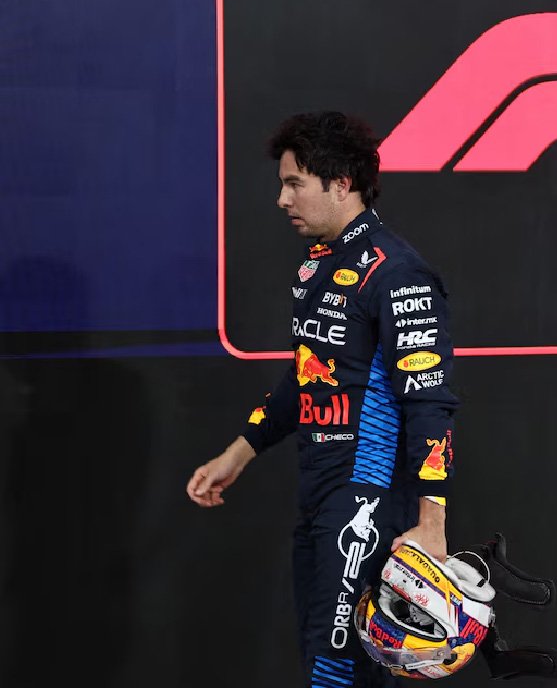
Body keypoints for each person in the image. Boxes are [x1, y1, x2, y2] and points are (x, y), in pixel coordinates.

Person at [186, 110, 458, 687]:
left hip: (367, 500)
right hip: (320, 493)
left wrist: (432, 520)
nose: (282, 199)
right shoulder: (318, 266)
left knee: (342, 669)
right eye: (282, 184)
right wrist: (239, 452)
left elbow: (429, 403)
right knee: (322, 659)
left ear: (341, 183)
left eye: (295, 183)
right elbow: (307, 376)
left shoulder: (399, 273)